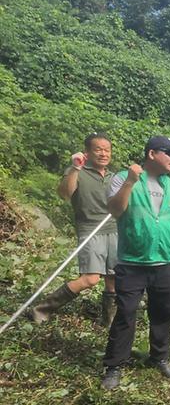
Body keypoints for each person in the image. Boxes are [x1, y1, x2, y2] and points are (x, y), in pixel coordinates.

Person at [100, 136, 170, 390]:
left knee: (164, 312)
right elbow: (115, 210)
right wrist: (130, 181)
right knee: (126, 313)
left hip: (166, 262)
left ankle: (159, 357)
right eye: (169, 153)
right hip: (132, 262)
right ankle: (114, 365)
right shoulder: (122, 178)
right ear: (152, 154)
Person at [29, 133, 118, 326]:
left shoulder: (114, 177)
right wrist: (76, 167)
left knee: (114, 276)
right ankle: (42, 309)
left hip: (115, 229)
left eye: (107, 150)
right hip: (90, 229)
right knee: (91, 279)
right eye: (98, 149)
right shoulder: (77, 171)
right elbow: (65, 193)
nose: (103, 153)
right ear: (87, 152)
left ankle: (109, 322)